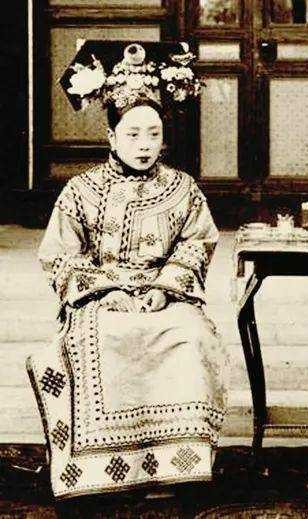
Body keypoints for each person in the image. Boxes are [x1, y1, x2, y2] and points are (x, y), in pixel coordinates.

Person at [26, 40, 228, 499]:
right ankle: (102, 470)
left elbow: (197, 242)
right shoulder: (81, 190)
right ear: (111, 137)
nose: (144, 144)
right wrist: (105, 291)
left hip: (164, 296)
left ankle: (177, 466)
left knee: (190, 335)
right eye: (133, 134)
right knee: (96, 337)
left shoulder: (183, 189)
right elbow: (59, 254)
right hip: (101, 298)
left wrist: (166, 287)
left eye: (153, 134)